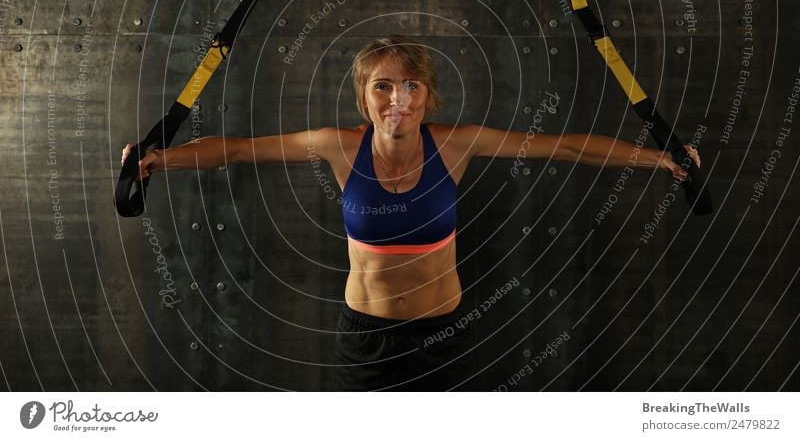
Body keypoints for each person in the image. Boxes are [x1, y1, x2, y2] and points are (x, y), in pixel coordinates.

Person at [121, 35, 701, 391]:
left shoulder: (456, 144)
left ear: (426, 96)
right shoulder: (340, 146)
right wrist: (157, 161)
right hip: (365, 339)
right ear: (364, 96)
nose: (397, 98)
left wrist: (660, 159)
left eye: (411, 86)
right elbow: (240, 149)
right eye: (382, 86)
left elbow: (566, 145)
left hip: (440, 336)